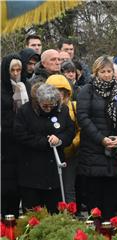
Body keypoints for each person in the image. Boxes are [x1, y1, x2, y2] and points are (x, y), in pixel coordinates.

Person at [76, 55, 117, 218]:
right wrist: (101, 139)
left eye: (109, 71)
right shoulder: (86, 90)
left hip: (115, 152)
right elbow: (83, 117)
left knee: (112, 200)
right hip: (93, 151)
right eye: (103, 71)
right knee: (94, 201)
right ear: (96, 72)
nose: (107, 75)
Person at [14, 83, 76, 213]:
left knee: (54, 212)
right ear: (38, 102)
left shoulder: (62, 110)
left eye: (51, 106)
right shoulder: (25, 111)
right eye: (45, 106)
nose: (48, 109)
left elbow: (70, 131)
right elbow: (20, 135)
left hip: (54, 172)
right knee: (33, 213)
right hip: (31, 170)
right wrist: (44, 142)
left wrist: (60, 139)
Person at [46, 74, 80, 203]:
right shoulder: (44, 109)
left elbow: (79, 129)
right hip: (50, 154)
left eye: (61, 91)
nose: (59, 95)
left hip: (70, 154)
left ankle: (69, 215)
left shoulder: (73, 107)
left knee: (68, 187)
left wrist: (72, 144)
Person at [2, 53, 26, 215]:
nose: (16, 73)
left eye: (19, 70)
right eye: (13, 70)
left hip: (21, 144)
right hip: (5, 144)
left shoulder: (25, 86)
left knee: (18, 188)